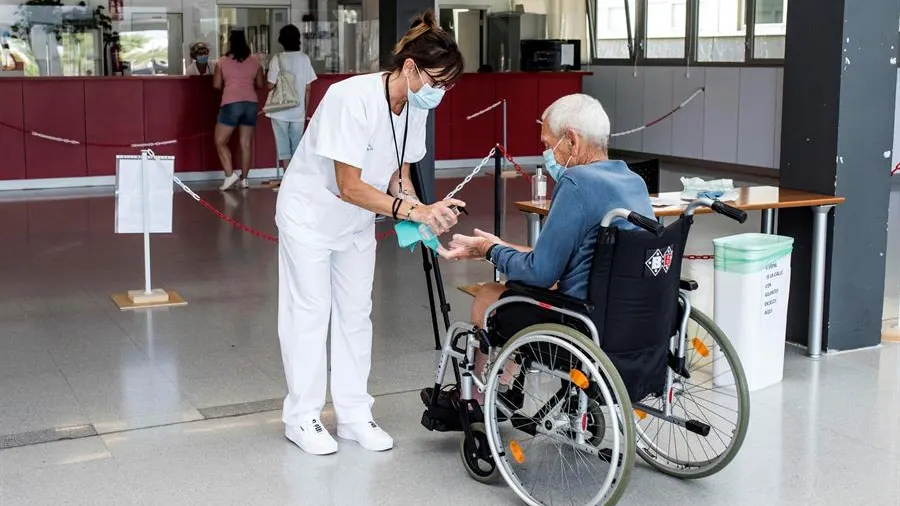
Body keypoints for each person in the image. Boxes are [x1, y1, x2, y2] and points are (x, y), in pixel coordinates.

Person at [275, 10, 465, 456]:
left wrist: (425, 214)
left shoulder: (413, 106)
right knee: (310, 314)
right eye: (437, 82)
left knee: (357, 314)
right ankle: (301, 417)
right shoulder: (351, 97)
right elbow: (349, 185)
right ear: (411, 68)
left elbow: (399, 175)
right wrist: (411, 211)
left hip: (357, 222)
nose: (441, 93)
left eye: (447, 86)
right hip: (312, 216)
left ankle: (354, 414)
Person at [429, 93, 655, 404]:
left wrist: (491, 252)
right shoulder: (632, 181)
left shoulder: (577, 183)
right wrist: (496, 245)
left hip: (583, 322)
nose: (547, 154)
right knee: (517, 285)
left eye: (549, 145)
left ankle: (480, 398)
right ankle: (504, 385)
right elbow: (575, 257)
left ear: (572, 141)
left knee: (489, 295)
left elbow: (540, 272)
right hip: (637, 318)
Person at [265, 24, 317, 191]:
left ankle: (288, 179)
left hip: (279, 110)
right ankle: (297, 181)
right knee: (297, 146)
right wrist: (305, 109)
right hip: (298, 111)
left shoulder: (277, 59)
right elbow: (308, 88)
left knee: (283, 146)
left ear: (281, 40)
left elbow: (270, 85)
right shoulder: (304, 58)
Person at [213, 29, 265, 191]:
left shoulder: (221, 62)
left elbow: (216, 85)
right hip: (250, 104)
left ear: (229, 43)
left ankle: (230, 175)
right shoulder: (255, 62)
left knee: (220, 140)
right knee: (246, 143)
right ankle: (244, 180)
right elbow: (260, 85)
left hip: (231, 103)